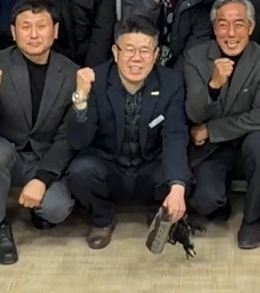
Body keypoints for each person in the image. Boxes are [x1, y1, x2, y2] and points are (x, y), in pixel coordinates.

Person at [64, 18, 191, 250]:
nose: (136, 58)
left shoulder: (171, 82)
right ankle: (102, 217)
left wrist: (177, 186)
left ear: (156, 54)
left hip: (149, 165)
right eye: (129, 50)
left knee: (181, 174)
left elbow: (175, 134)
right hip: (108, 164)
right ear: (115, 51)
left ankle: (160, 212)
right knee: (79, 171)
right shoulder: (96, 79)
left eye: (144, 51)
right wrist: (80, 99)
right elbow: (77, 140)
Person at [0, 0, 82, 264]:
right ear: (13, 32)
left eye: (41, 26)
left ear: (55, 31)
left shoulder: (70, 72)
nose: (34, 34)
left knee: (57, 210)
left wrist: (42, 179)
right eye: (25, 27)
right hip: (8, 152)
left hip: (44, 157)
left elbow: (67, 137)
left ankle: (37, 205)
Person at [181, 0, 260, 248]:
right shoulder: (195, 57)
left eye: (239, 24)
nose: (231, 33)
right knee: (204, 201)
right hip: (212, 152)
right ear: (214, 28)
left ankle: (253, 219)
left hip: (245, 143)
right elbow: (193, 115)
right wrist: (213, 85)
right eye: (223, 24)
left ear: (251, 27)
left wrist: (212, 129)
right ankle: (219, 201)